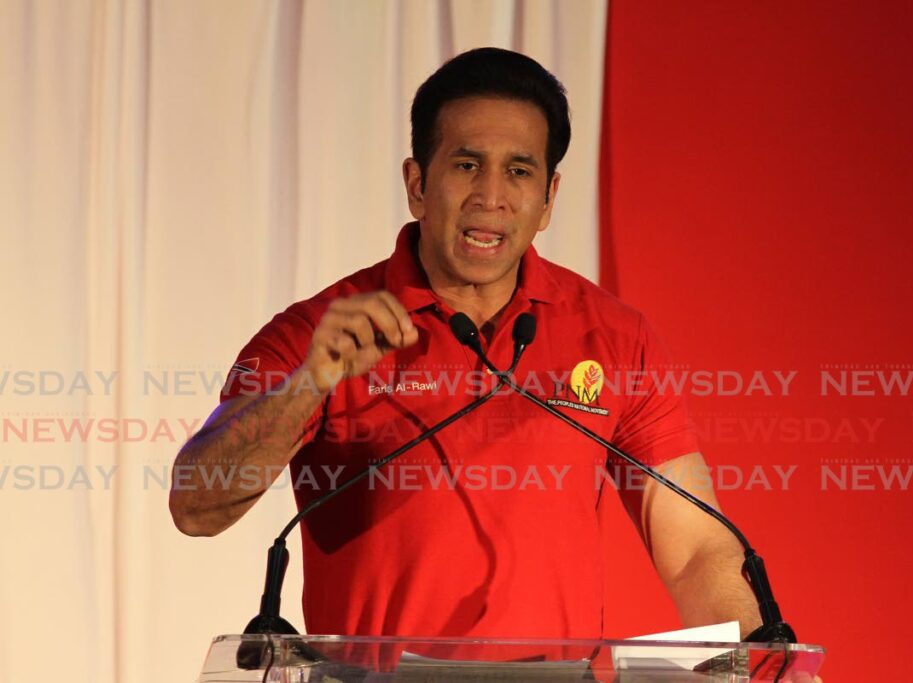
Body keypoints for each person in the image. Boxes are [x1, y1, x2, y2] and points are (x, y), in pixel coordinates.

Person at [170, 47, 760, 640]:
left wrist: (763, 661)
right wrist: (309, 385)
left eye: (520, 171)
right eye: (468, 165)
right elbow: (197, 505)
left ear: (550, 197)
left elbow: (695, 549)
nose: (492, 197)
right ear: (418, 183)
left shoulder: (614, 337)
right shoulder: (320, 333)